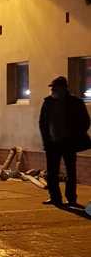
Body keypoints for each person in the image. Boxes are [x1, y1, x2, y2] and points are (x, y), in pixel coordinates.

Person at [38, 75, 90, 208]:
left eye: (55, 88)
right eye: (52, 88)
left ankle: (71, 199)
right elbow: (42, 122)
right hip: (52, 143)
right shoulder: (48, 102)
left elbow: (85, 121)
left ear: (63, 89)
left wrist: (74, 135)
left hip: (69, 143)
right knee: (52, 172)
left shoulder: (75, 102)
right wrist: (46, 139)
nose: (53, 90)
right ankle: (55, 198)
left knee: (70, 172)